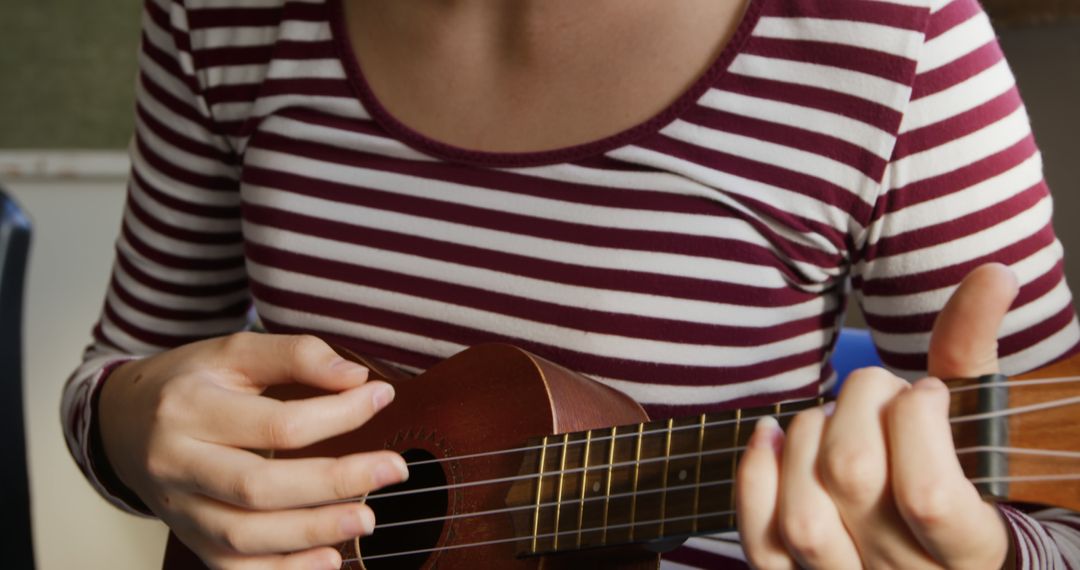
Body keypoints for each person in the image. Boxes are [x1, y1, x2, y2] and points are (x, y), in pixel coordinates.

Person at [62, 0, 1080, 567]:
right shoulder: (220, 13)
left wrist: (984, 560)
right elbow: (118, 368)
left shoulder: (896, 38)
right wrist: (127, 421)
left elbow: (1063, 527)